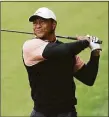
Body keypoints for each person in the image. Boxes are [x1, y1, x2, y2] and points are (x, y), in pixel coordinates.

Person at [22, 7, 101, 117]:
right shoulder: (30, 46)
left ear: (53, 25)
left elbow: (88, 78)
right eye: (35, 23)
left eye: (42, 22)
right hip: (41, 113)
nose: (38, 26)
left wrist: (95, 51)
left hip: (67, 113)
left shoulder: (67, 52)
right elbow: (59, 51)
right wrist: (85, 42)